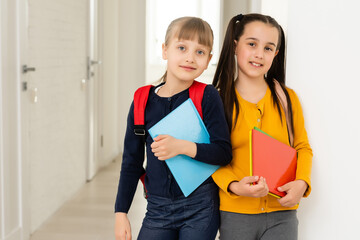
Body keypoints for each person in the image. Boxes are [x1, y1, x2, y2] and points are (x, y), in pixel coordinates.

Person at [114, 16, 232, 240]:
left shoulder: (207, 96)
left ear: (208, 60)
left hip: (200, 207)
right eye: (182, 47)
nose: (190, 58)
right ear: (165, 50)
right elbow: (131, 162)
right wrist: (121, 213)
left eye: (200, 52)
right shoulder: (142, 101)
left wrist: (183, 147)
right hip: (157, 209)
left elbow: (223, 152)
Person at [212, 13, 312, 240]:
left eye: (268, 48)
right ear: (236, 46)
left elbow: (302, 147)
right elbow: (210, 157)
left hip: (282, 214)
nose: (259, 54)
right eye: (251, 44)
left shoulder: (288, 98)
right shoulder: (217, 101)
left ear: (275, 55)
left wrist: (302, 183)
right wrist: (235, 186)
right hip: (235, 212)